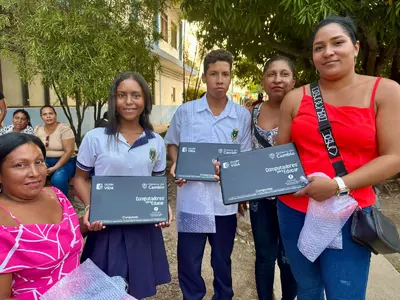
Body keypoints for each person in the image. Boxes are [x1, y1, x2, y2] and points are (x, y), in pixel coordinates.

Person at [276, 16, 400, 299]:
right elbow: (278, 159)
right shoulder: (295, 98)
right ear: (313, 56)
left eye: (337, 43)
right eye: (319, 47)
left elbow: (394, 157)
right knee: (306, 288)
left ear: (355, 48)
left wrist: (337, 185)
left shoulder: (385, 91)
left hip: (350, 212)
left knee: (345, 292)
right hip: (294, 210)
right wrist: (234, 175)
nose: (328, 51)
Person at [73, 72, 172, 299]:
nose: (129, 102)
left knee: (138, 286)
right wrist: (91, 207)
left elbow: (156, 180)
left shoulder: (155, 141)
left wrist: (162, 205)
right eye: (122, 95)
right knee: (103, 288)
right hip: (106, 225)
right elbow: (79, 178)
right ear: (114, 100)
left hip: (142, 226)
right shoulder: (95, 137)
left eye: (135, 95)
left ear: (145, 100)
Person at [165, 49, 252, 300]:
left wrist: (233, 173)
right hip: (192, 200)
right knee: (189, 260)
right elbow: (172, 143)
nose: (220, 80)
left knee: (222, 259)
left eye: (225, 74)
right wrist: (176, 163)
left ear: (230, 77)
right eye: (214, 74)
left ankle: (223, 296)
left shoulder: (241, 116)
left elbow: (244, 157)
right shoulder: (187, 112)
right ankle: (192, 296)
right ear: (204, 77)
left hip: (224, 204)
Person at [0, 133, 83, 299]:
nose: (35, 173)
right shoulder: (3, 224)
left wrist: (89, 222)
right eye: (20, 165)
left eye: (38, 162)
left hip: (80, 290)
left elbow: (61, 237)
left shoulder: (56, 195)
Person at [245, 56, 297, 300]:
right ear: (264, 81)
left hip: (294, 199)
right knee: (264, 257)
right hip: (260, 199)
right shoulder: (252, 112)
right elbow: (243, 153)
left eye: (284, 74)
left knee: (289, 259)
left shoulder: (304, 111)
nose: (278, 79)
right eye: (271, 74)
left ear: (294, 80)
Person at [34, 105, 76, 198]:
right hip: (45, 161)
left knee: (58, 179)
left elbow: (69, 151)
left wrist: (55, 167)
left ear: (55, 115)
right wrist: (41, 164)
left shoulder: (64, 129)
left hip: (66, 161)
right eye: (45, 114)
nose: (48, 116)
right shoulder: (38, 130)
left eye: (50, 113)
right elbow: (35, 149)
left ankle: (64, 204)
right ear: (41, 117)